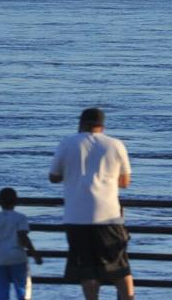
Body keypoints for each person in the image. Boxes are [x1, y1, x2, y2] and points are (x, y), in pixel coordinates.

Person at [49, 107, 134, 300]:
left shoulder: (66, 143)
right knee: (120, 268)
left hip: (76, 217)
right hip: (109, 217)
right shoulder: (116, 144)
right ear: (102, 126)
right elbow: (125, 182)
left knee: (87, 271)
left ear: (81, 123)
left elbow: (53, 177)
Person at [0, 187, 43, 300]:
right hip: (18, 257)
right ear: (16, 201)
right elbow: (24, 237)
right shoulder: (20, 218)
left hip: (0, 259)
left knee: (1, 292)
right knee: (22, 290)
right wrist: (35, 254)